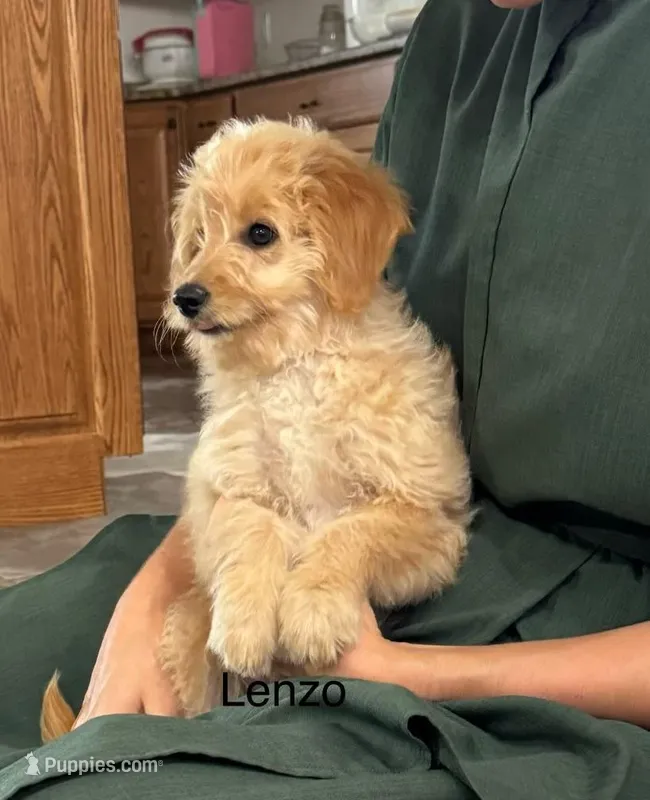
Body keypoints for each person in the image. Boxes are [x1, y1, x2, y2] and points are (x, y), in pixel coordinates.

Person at [1, 0, 649, 797]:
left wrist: (408, 673)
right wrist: (158, 591)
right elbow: (327, 324)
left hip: (565, 650)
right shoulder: (456, 29)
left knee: (95, 785)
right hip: (380, 541)